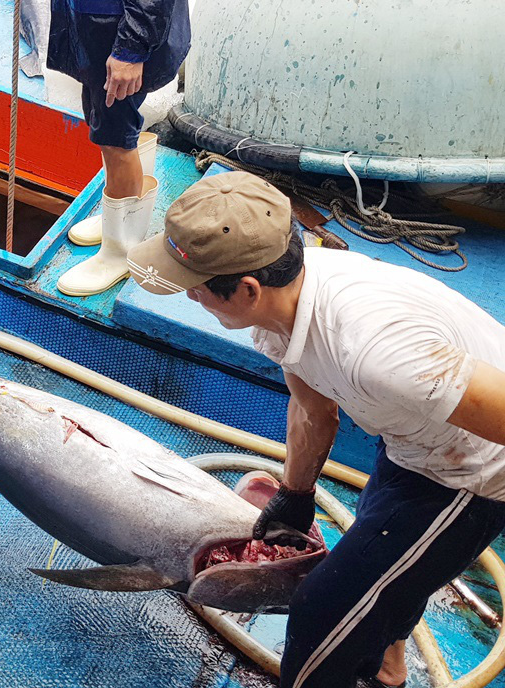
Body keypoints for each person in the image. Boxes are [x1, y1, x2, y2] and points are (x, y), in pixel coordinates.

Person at [127, 171, 505, 688]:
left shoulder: (379, 352)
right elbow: (311, 409)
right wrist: (296, 493)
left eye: (196, 290)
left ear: (247, 288)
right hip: (415, 444)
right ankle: (388, 669)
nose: (190, 299)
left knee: (322, 609)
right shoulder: (286, 303)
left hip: (473, 477)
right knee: (384, 569)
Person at [47, 0, 190, 297]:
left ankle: (120, 250)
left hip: (116, 29)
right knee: (108, 118)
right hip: (98, 22)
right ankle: (122, 217)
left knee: (114, 137)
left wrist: (131, 48)